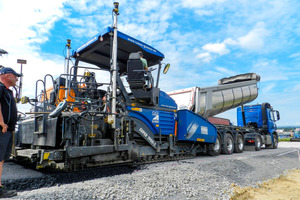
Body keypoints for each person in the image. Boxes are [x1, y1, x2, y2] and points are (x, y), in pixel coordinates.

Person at [0, 67, 21, 198]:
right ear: (7, 76)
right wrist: (1, 122)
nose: (17, 78)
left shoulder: (8, 91)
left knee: (1, 159)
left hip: (6, 130)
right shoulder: (0, 87)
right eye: (15, 76)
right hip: (2, 129)